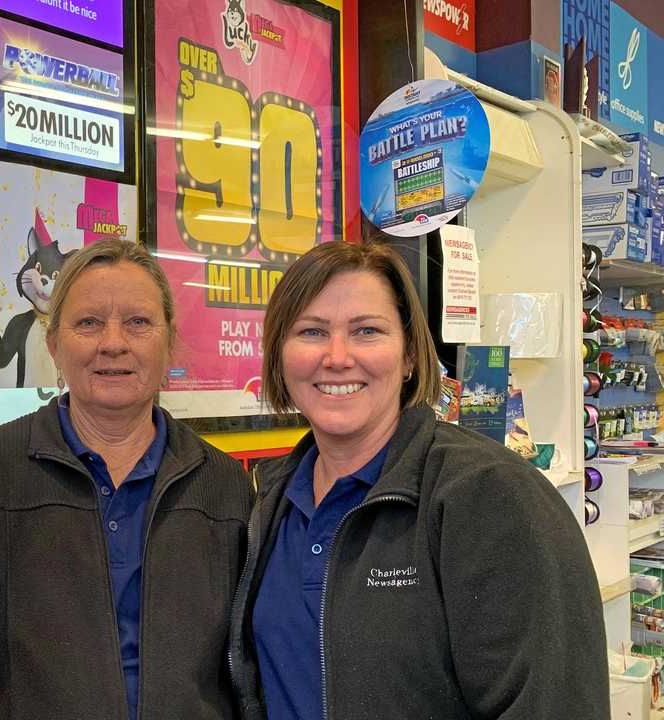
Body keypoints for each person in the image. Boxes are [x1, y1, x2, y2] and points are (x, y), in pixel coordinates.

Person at [0, 239, 254, 719]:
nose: (113, 342)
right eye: (88, 322)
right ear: (53, 343)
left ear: (168, 339)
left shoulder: (226, 485)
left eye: (138, 322)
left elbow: (253, 664)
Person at [228, 240, 609, 719]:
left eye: (367, 330)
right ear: (280, 355)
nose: (338, 356)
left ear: (409, 355)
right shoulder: (273, 498)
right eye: (311, 331)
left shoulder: (491, 495)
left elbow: (556, 705)